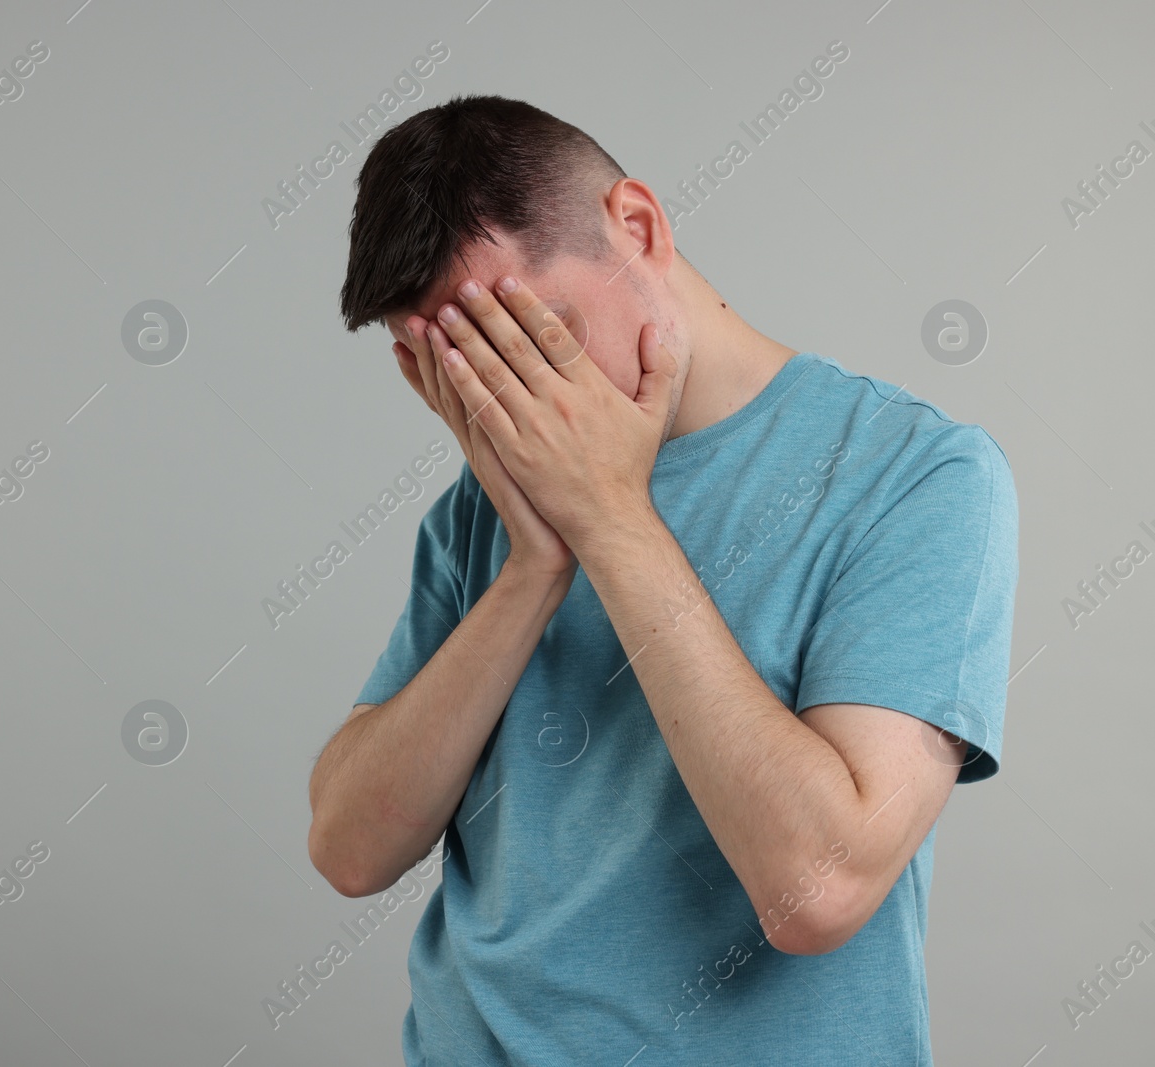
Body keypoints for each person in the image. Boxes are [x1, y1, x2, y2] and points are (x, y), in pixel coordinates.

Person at [306, 93, 1019, 1065]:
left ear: (634, 229)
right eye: (470, 371)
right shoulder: (481, 514)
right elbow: (348, 847)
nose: (523, 403)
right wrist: (533, 568)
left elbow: (820, 888)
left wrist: (609, 517)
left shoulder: (913, 477)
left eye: (537, 334)